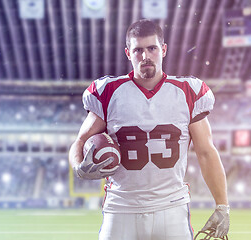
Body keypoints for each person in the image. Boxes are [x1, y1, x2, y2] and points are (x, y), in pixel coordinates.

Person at [69, 19, 229, 240]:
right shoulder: (108, 92)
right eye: (138, 50)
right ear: (128, 53)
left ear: (163, 50)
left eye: (152, 48)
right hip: (121, 206)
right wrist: (79, 167)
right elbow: (80, 141)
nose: (145, 56)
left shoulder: (188, 91)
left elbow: (206, 152)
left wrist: (222, 206)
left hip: (171, 207)